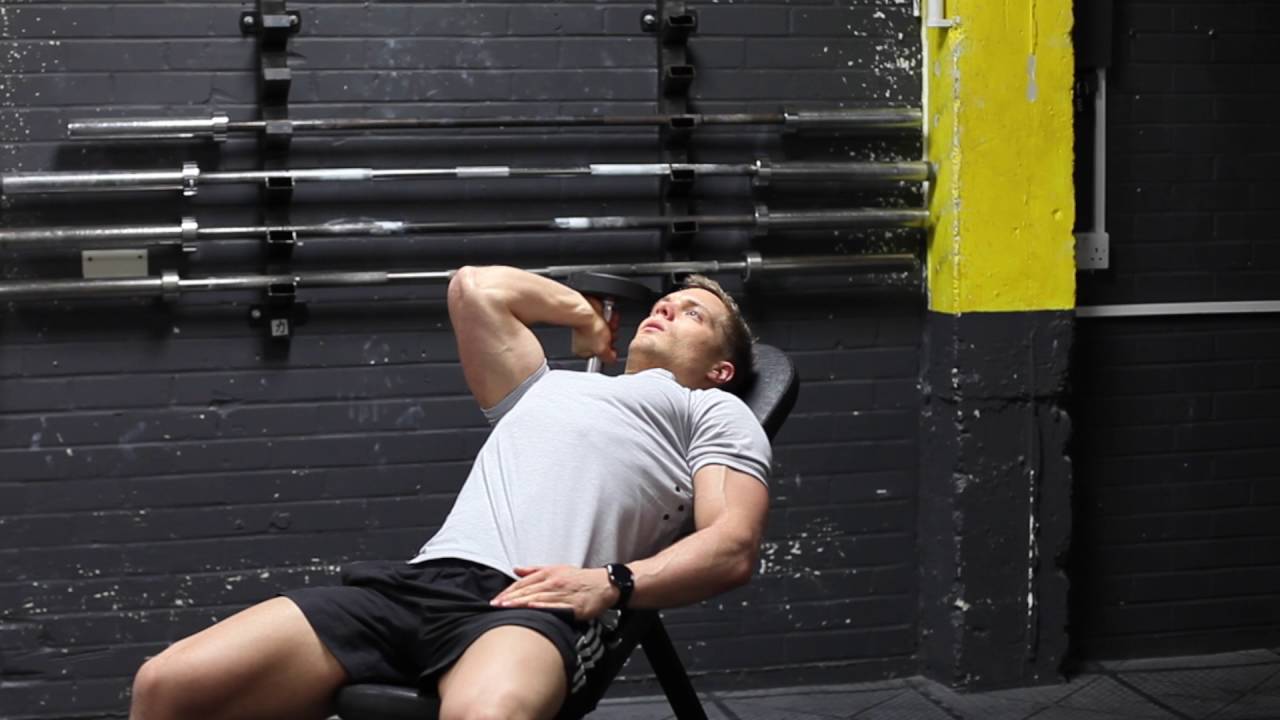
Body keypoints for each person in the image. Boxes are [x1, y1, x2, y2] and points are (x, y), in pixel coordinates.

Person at [129, 266, 773, 720]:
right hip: (415, 587)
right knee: (168, 685)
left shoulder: (710, 410)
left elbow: (732, 545)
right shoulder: (545, 386)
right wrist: (581, 313)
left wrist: (610, 583)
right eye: (666, 302)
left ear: (720, 369)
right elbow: (475, 288)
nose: (667, 309)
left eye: (694, 313)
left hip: (529, 600)